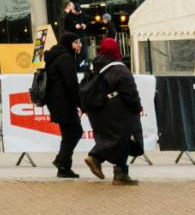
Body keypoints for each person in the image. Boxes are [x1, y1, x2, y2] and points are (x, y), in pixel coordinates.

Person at [80, 37, 142, 186]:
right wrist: (137, 107)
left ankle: (119, 172)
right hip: (117, 111)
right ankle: (98, 158)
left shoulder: (95, 65)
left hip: (97, 110)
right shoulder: (120, 69)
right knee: (127, 137)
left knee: (116, 138)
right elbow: (130, 93)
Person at [42, 32, 85, 179]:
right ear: (69, 44)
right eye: (76, 42)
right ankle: (62, 163)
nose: (79, 45)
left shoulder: (56, 55)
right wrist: (80, 103)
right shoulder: (66, 58)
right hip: (64, 102)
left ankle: (63, 164)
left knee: (69, 134)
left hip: (56, 102)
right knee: (74, 132)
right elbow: (71, 84)